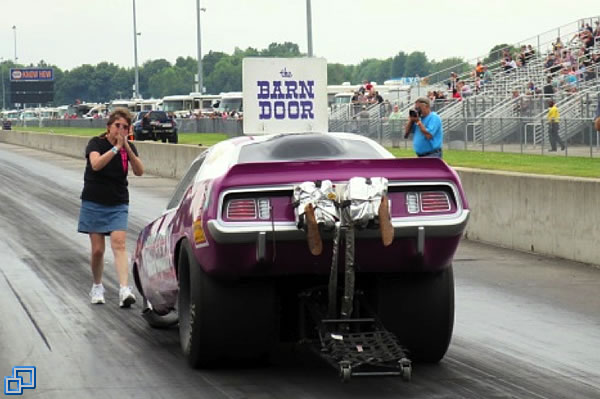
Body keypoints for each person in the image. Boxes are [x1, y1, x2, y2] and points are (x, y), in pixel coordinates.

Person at [78, 108, 145, 307]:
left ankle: (125, 289)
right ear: (109, 127)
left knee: (119, 243)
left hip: (118, 202)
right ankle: (97, 286)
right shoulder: (96, 143)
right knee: (98, 249)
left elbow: (140, 171)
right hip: (94, 201)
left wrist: (127, 149)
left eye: (125, 127)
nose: (121, 130)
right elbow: (96, 164)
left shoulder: (128, 147)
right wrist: (115, 148)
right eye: (117, 126)